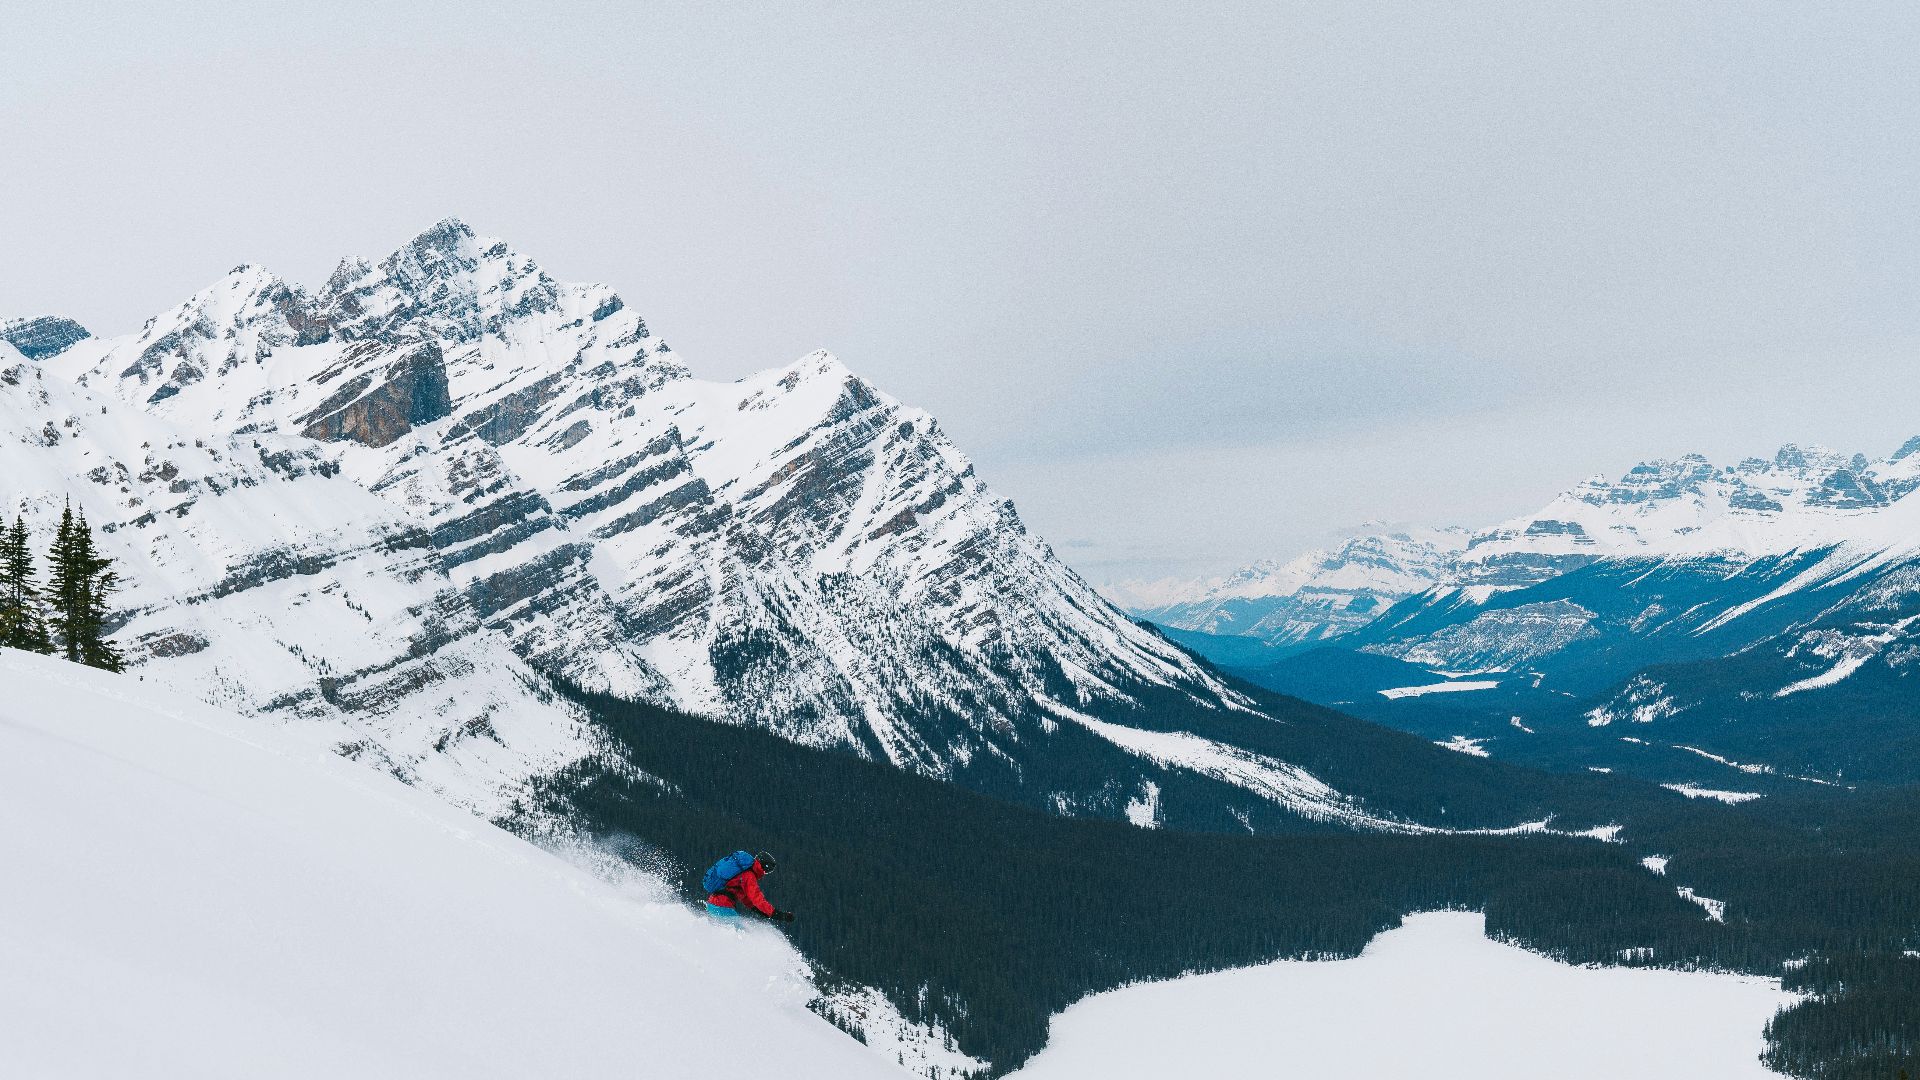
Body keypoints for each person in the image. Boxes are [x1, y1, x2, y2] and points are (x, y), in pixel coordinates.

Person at [705, 850, 795, 923]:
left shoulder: (742, 872)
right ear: (764, 867)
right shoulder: (749, 876)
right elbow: (757, 899)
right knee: (739, 936)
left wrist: (763, 912)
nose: (765, 874)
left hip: (713, 904)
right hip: (723, 907)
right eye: (767, 871)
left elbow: (747, 899)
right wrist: (778, 914)